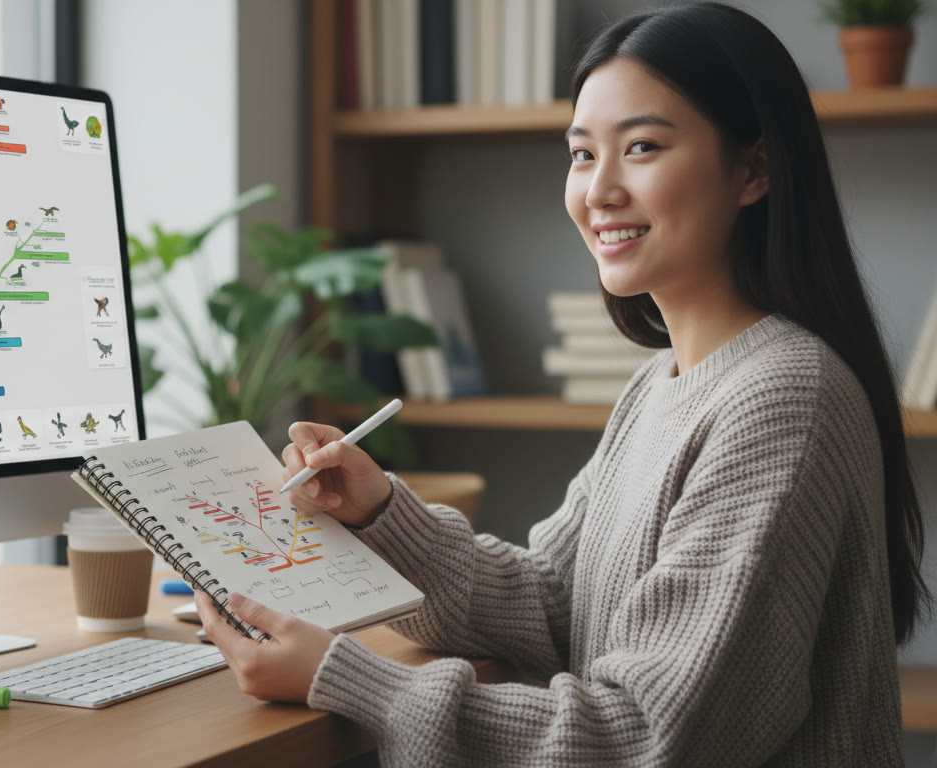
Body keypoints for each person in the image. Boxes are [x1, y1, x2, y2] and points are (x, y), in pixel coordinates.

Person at [192, 2, 929, 765]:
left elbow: (649, 735)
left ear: (754, 170)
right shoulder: (663, 383)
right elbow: (553, 603)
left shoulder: (783, 398)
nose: (599, 191)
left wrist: (348, 680)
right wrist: (379, 511)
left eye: (641, 147)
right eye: (582, 154)